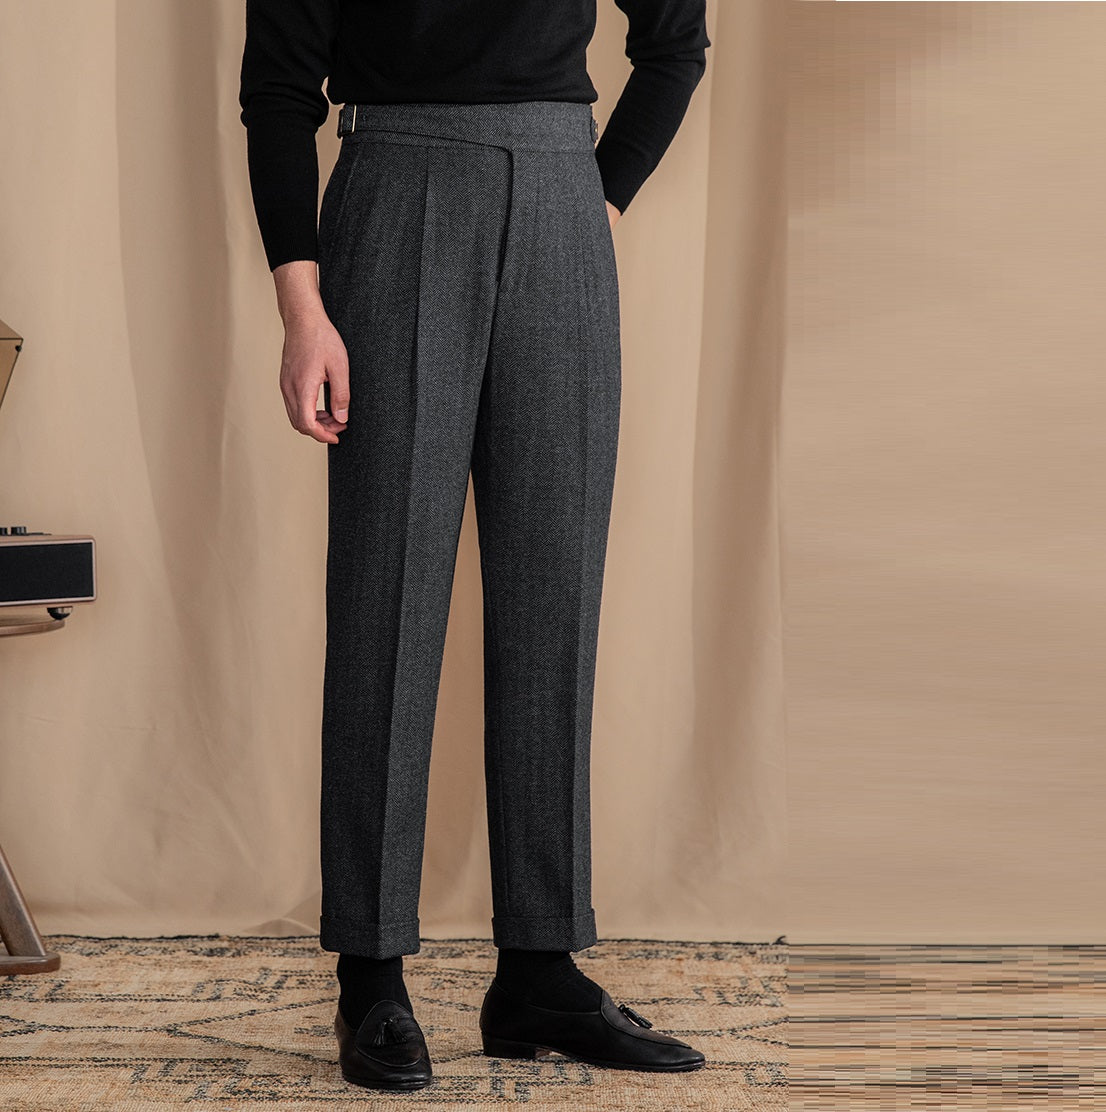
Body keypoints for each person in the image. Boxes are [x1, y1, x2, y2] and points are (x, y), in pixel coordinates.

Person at [238, 0, 711, 1092]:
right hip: (394, 185)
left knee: (553, 597)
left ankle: (540, 966)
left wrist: (589, 193)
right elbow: (278, 90)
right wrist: (301, 309)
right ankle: (370, 971)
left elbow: (674, 40)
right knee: (385, 598)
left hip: (559, 200)